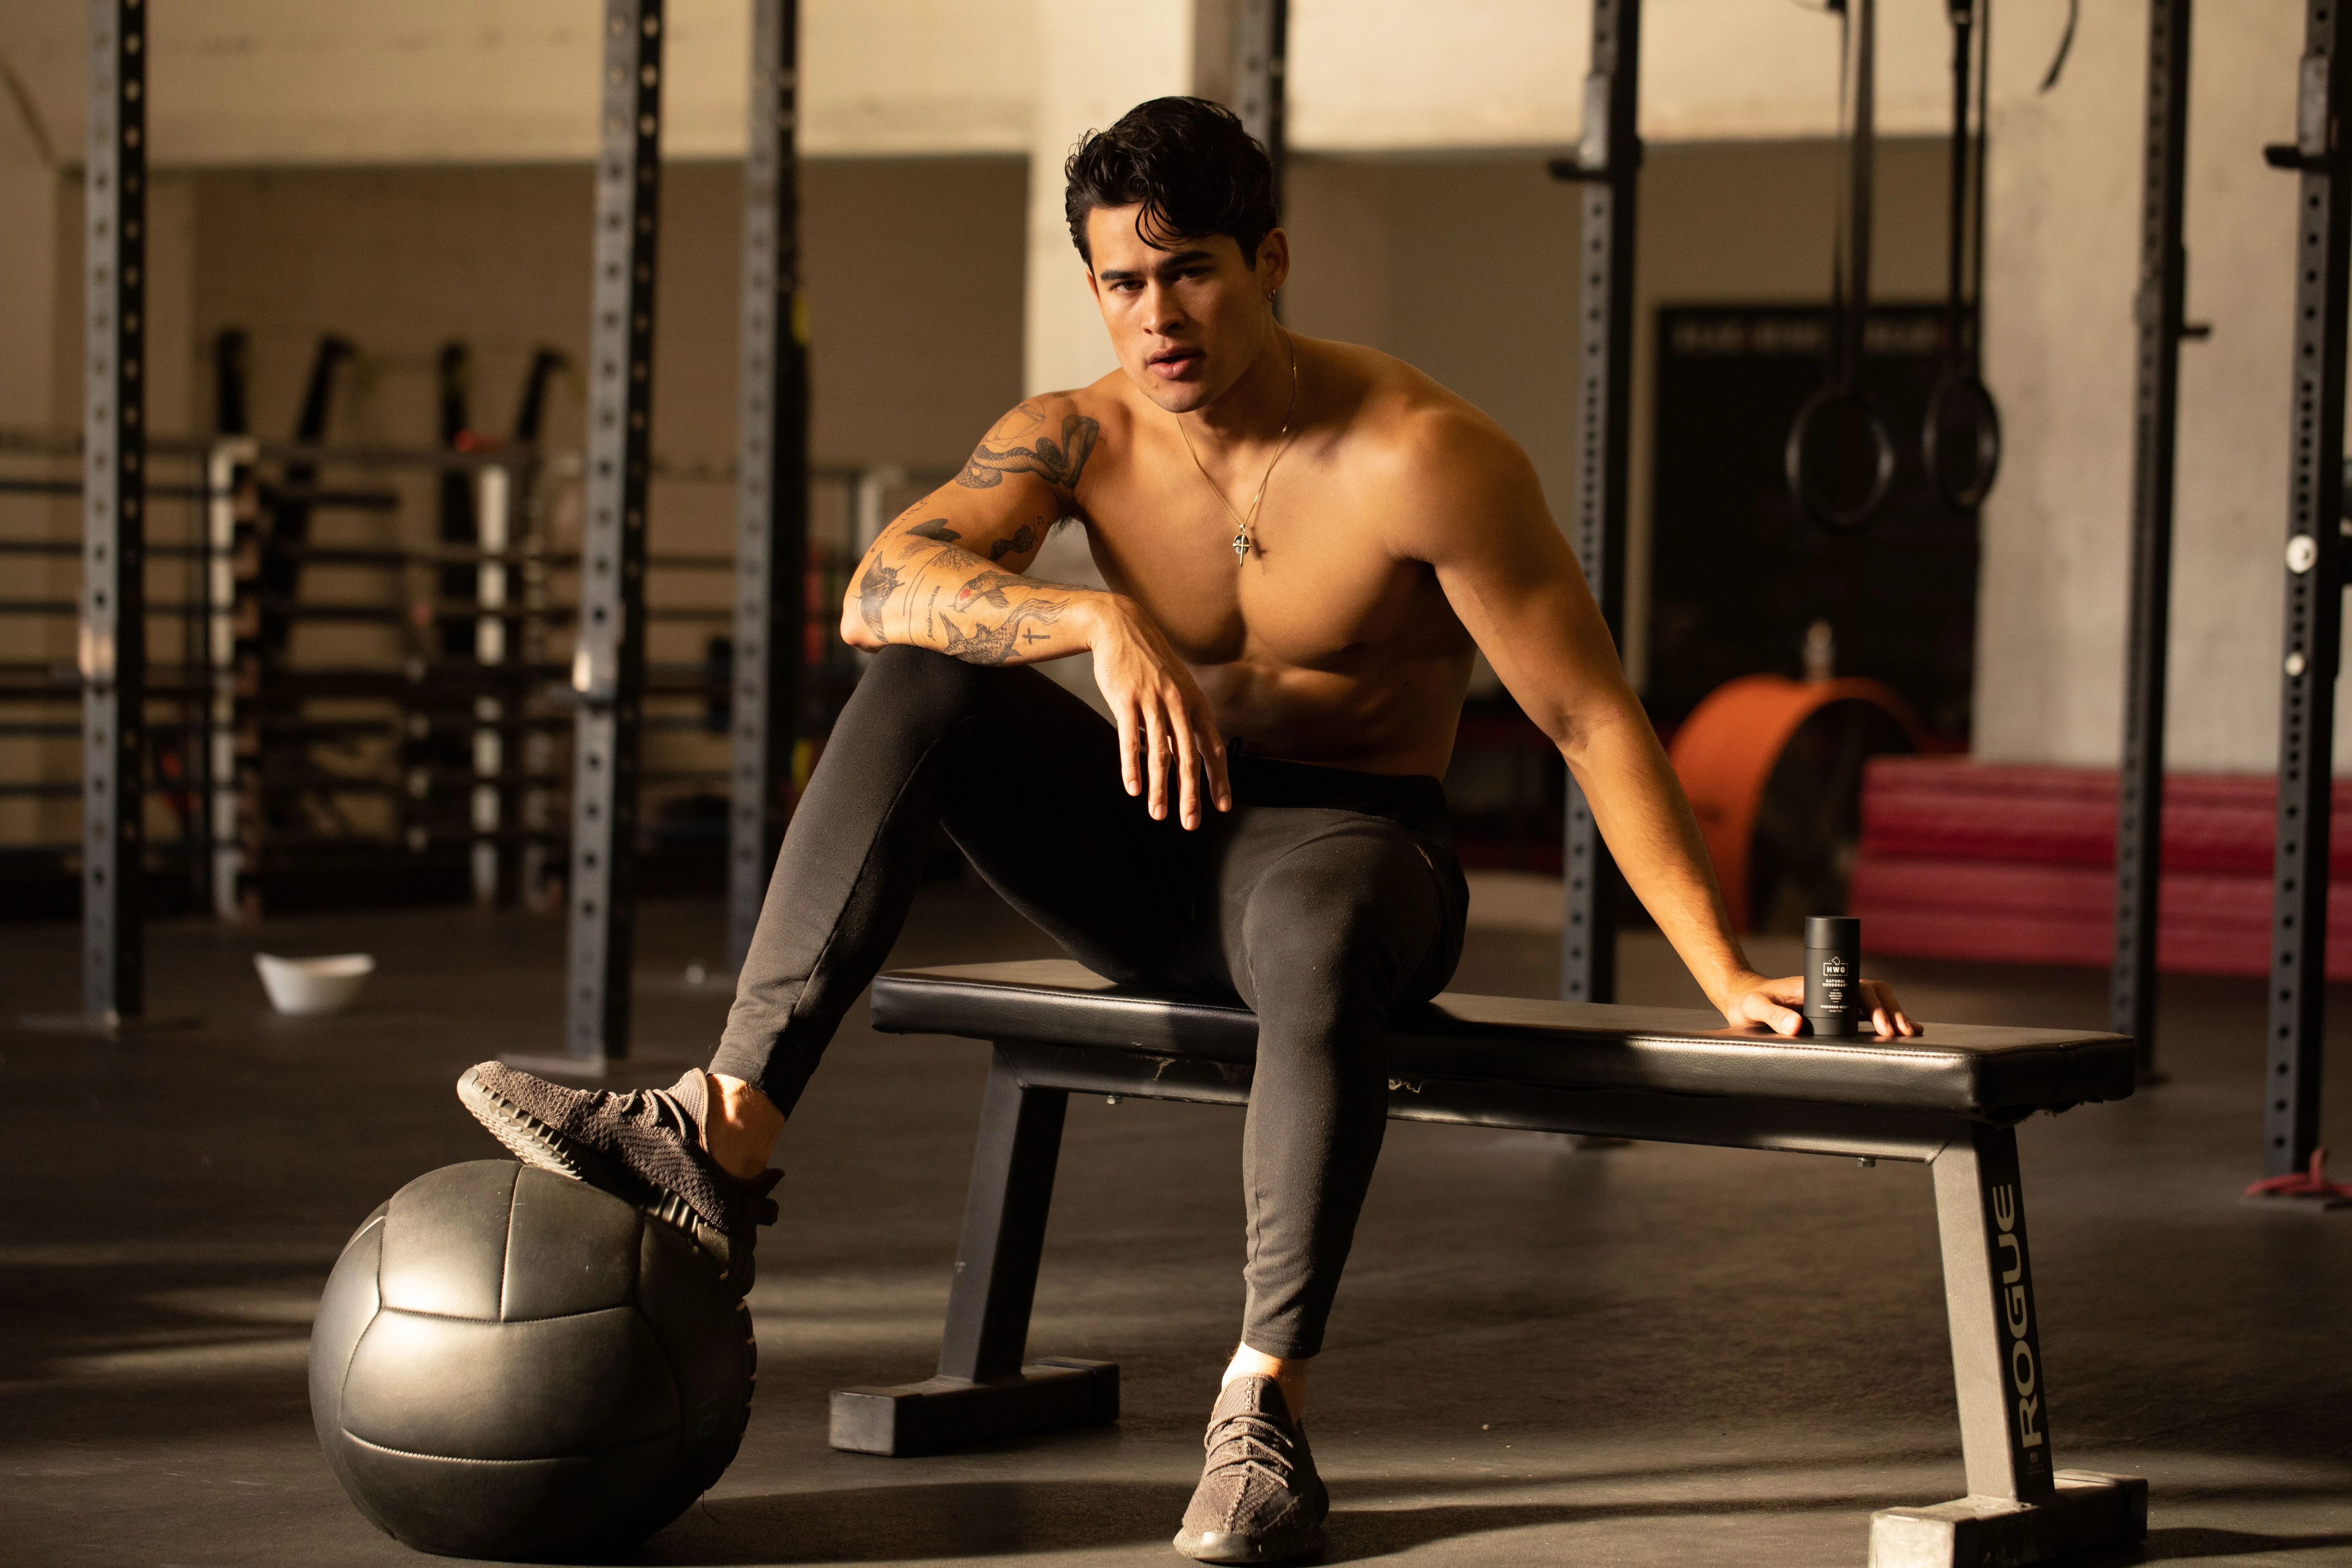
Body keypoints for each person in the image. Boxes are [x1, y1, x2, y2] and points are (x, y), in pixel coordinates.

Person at [457, 96, 1916, 1565]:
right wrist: (1083, 617)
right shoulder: (1076, 437)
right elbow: (877, 590)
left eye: (1192, 269)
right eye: (1122, 281)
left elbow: (1592, 718)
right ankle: (720, 1127)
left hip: (1358, 860)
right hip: (1160, 844)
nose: (1157, 316)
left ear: (1271, 258)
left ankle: (1261, 1407)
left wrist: (1721, 971)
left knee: (1322, 916)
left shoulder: (1425, 456)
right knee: (923, 679)